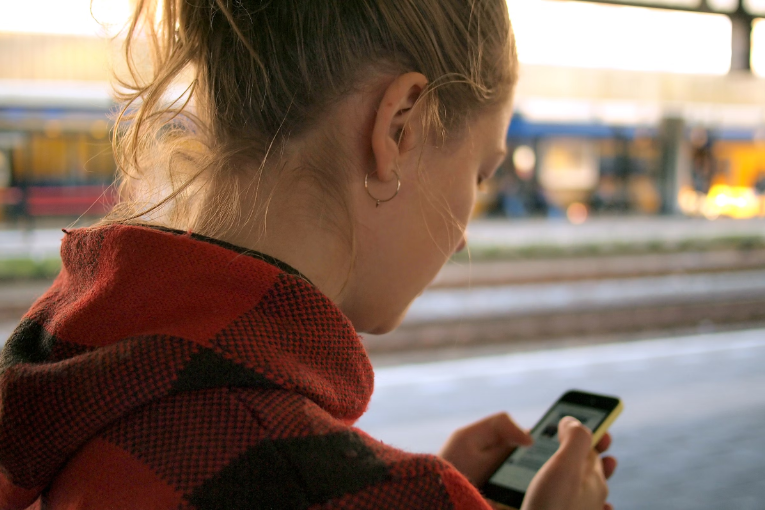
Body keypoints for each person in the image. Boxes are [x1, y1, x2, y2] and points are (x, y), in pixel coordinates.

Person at [0, 1, 617, 508]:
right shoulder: (348, 486)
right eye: (480, 175)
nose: (462, 236)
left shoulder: (60, 375)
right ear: (399, 127)